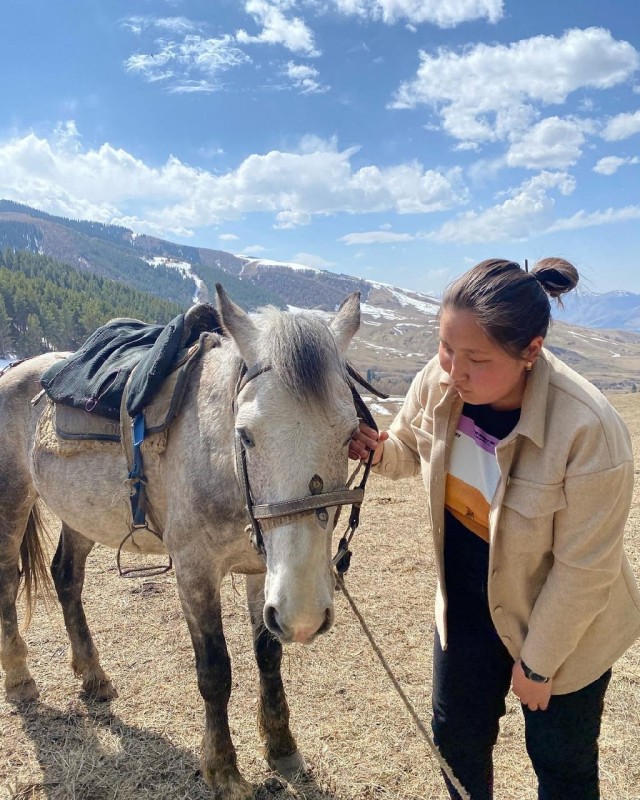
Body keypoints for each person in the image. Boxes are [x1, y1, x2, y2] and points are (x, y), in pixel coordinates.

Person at [349, 258, 640, 800]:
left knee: (561, 764)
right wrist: (378, 451)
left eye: (476, 359)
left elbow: (584, 570)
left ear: (531, 350)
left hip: (561, 628)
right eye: (445, 347)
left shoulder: (589, 428)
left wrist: (539, 664)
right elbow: (409, 446)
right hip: (467, 607)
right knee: (455, 743)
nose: (453, 371)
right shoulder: (439, 380)